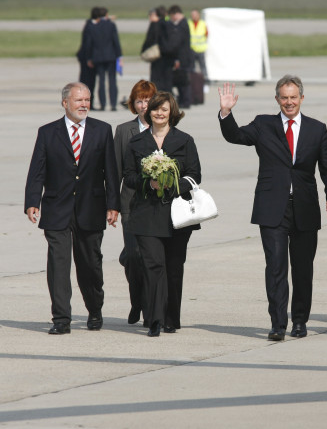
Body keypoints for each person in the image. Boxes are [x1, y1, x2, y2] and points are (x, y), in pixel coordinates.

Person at [218, 76, 327, 341]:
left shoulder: (317, 129)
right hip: (272, 207)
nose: (289, 102)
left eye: (293, 97)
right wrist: (226, 113)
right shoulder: (264, 124)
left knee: (302, 268)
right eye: (284, 97)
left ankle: (299, 321)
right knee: (275, 267)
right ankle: (277, 323)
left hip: (305, 208)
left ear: (301, 99)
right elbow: (236, 135)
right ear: (277, 99)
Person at [24, 82, 120, 334]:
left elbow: (111, 171)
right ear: (65, 103)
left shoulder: (102, 130)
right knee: (59, 264)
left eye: (87, 100)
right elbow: (37, 170)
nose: (84, 105)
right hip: (57, 208)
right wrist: (32, 201)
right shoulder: (47, 132)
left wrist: (113, 205)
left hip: (91, 207)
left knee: (90, 264)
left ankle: (95, 309)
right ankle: (61, 319)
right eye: (79, 100)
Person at [123, 91, 201, 337]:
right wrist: (150, 183)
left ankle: (170, 318)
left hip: (177, 214)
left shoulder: (185, 140)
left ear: (172, 113)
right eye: (155, 109)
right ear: (148, 112)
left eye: (164, 109)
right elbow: (129, 176)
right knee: (153, 265)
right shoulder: (136, 143)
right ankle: (154, 319)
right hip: (146, 214)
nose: (159, 113)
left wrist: (173, 184)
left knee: (173, 266)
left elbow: (195, 174)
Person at [113, 80, 157, 326]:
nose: (144, 105)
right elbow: (115, 170)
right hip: (130, 203)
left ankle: (151, 307)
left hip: (157, 205)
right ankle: (136, 301)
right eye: (139, 100)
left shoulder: (165, 128)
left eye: (148, 100)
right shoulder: (123, 131)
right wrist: (113, 206)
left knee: (150, 257)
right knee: (132, 257)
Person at [86, 7, 122, 111]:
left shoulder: (93, 27)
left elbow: (89, 44)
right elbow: (116, 42)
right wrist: (119, 56)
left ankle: (103, 104)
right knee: (112, 80)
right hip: (111, 56)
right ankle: (113, 104)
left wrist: (89, 57)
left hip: (98, 57)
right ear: (106, 15)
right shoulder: (111, 25)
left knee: (101, 81)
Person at [142, 7, 172, 93]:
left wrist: (144, 51)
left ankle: (156, 94)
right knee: (165, 77)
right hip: (167, 54)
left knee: (156, 76)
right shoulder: (168, 23)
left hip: (156, 54)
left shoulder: (155, 24)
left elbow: (150, 39)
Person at [167, 5, 192, 109]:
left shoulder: (182, 25)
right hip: (185, 57)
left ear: (176, 14)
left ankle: (185, 101)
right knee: (183, 79)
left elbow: (179, 43)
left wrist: (177, 58)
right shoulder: (184, 23)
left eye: (172, 16)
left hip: (182, 57)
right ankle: (184, 100)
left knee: (183, 80)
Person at [76, 7, 100, 106]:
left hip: (86, 57)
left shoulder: (89, 24)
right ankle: (87, 102)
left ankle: (87, 101)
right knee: (88, 81)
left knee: (87, 81)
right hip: (87, 59)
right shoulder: (91, 27)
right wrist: (89, 58)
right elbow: (88, 44)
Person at [188, 9, 209, 92]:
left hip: (200, 50)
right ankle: (192, 84)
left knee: (202, 67)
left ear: (198, 15)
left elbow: (207, 34)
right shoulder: (189, 23)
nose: (193, 16)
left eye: (195, 14)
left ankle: (205, 83)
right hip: (191, 49)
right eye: (192, 15)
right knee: (192, 68)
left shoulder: (203, 24)